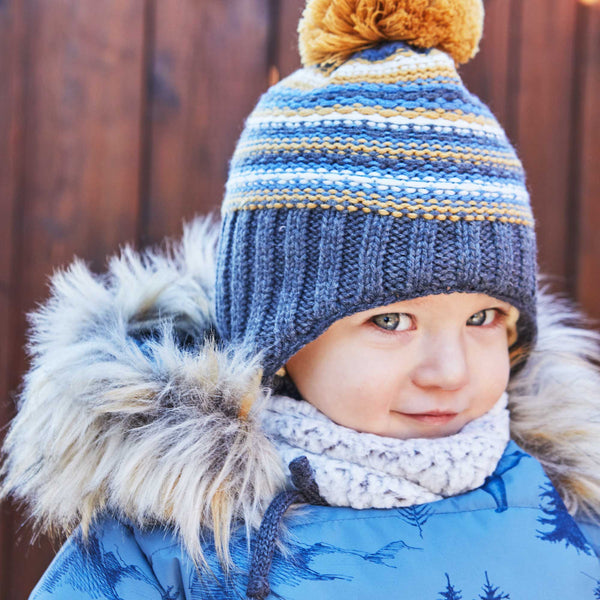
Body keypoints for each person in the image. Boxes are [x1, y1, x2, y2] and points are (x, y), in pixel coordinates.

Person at [2, 0, 600, 598]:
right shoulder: (174, 537)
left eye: (483, 317)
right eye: (391, 320)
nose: (450, 371)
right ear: (279, 340)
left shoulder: (572, 509)